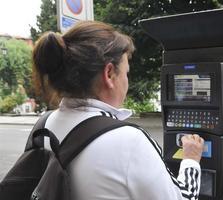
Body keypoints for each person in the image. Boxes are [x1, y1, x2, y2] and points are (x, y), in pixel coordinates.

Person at [32, 20, 204, 200]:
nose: (127, 81)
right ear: (109, 74)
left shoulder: (44, 125)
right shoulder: (129, 141)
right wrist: (191, 159)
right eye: (126, 72)